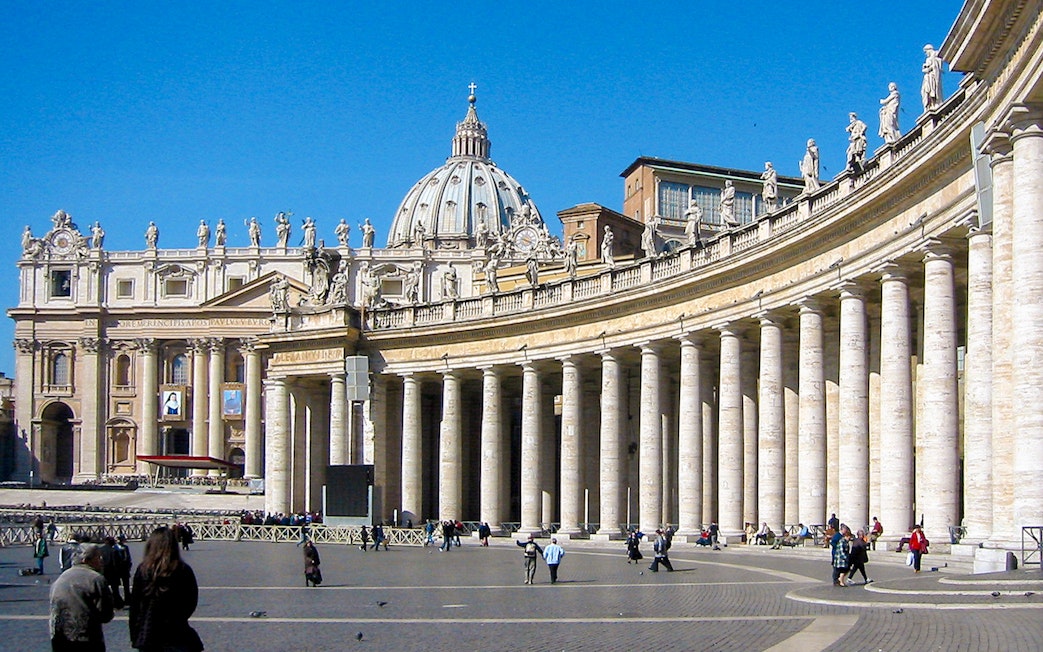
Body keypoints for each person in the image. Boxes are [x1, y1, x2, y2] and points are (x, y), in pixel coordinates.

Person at [128, 526, 203, 652]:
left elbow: (135, 605)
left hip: (149, 635)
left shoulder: (143, 570)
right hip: (177, 633)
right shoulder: (183, 570)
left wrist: (136, 636)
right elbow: (191, 602)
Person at [50, 543, 114, 651]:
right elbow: (105, 615)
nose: (101, 560)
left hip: (59, 637)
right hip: (86, 638)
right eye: (98, 557)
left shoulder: (61, 578)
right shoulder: (96, 579)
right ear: (86, 560)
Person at [921, 44, 943, 112]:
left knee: (933, 89)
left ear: (929, 50)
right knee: (924, 91)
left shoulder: (935, 55)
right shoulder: (929, 58)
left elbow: (938, 64)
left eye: (926, 52)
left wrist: (930, 67)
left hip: (932, 76)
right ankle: (931, 104)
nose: (926, 53)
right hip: (928, 77)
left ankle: (935, 103)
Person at [112, 535, 133, 605]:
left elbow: (128, 557)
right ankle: (118, 599)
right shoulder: (114, 548)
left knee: (126, 585)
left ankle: (127, 599)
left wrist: (129, 565)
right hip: (117, 569)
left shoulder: (125, 547)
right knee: (116, 585)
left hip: (125, 569)